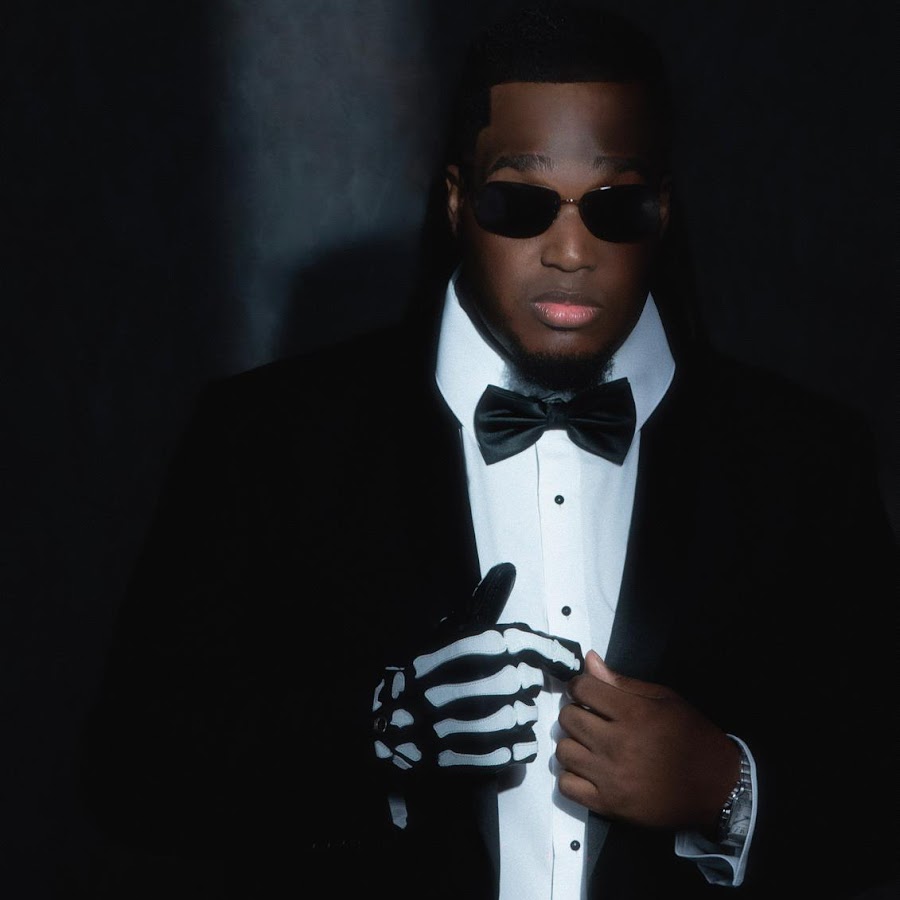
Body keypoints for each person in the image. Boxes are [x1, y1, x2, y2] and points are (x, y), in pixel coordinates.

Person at [80, 3, 898, 898]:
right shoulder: (268, 439)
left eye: (615, 207)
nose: (571, 251)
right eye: (520, 203)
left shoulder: (805, 463)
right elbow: (132, 775)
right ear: (457, 198)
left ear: (663, 209)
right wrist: (379, 732)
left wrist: (727, 788)